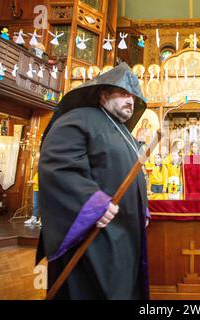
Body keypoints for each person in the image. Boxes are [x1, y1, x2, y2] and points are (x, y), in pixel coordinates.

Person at [36, 63, 149, 300]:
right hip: (93, 235)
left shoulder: (122, 131)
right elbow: (58, 166)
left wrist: (142, 207)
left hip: (123, 233)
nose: (131, 101)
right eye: (125, 94)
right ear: (104, 94)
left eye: (134, 96)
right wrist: (93, 203)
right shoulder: (79, 118)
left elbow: (132, 174)